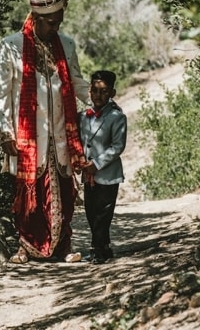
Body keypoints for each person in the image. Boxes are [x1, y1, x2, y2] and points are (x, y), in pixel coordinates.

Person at [0, 0, 90, 264]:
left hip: (61, 134)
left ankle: (62, 247)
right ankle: (27, 247)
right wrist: (5, 131)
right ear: (34, 19)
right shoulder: (11, 47)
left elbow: (76, 82)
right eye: (49, 23)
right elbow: (2, 94)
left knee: (65, 192)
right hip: (27, 137)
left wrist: (96, 96)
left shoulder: (66, 45)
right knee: (29, 196)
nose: (54, 28)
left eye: (58, 22)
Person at [77, 70, 127, 265]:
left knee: (103, 213)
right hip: (88, 175)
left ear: (112, 93)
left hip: (107, 174)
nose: (98, 96)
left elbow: (117, 146)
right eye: (95, 91)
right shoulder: (83, 116)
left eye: (104, 91)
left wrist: (96, 164)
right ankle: (104, 246)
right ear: (89, 91)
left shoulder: (117, 117)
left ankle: (97, 249)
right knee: (90, 211)